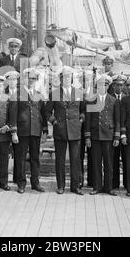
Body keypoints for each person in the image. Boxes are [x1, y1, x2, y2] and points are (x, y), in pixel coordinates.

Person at [45, 66, 85, 195]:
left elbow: (83, 110)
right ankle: (60, 186)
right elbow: (46, 112)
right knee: (60, 160)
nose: (66, 79)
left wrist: (81, 119)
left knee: (75, 159)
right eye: (64, 77)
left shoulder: (78, 93)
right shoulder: (54, 93)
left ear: (72, 78)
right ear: (60, 79)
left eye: (68, 76)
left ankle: (75, 186)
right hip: (60, 130)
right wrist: (54, 121)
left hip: (75, 130)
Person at [84, 74, 120, 196]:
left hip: (109, 135)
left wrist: (116, 136)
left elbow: (117, 120)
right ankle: (97, 187)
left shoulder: (114, 100)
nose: (102, 86)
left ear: (108, 85)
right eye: (100, 84)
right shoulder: (91, 100)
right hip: (95, 135)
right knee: (96, 162)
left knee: (109, 163)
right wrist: (88, 136)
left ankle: (109, 188)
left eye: (105, 84)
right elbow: (88, 120)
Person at [14, 68, 47, 193]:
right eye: (29, 78)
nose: (31, 80)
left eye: (34, 78)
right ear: (24, 79)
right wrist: (14, 131)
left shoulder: (39, 94)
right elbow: (13, 114)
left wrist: (44, 131)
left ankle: (35, 183)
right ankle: (21, 184)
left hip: (35, 130)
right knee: (21, 157)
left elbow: (42, 114)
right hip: (22, 130)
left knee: (35, 158)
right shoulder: (18, 94)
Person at [110, 74, 127, 190]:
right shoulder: (109, 98)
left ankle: (127, 183)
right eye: (116, 85)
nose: (119, 87)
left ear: (124, 86)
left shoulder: (127, 98)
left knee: (127, 159)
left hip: (126, 134)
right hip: (112, 134)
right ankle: (114, 183)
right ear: (113, 85)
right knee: (113, 159)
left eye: (121, 85)